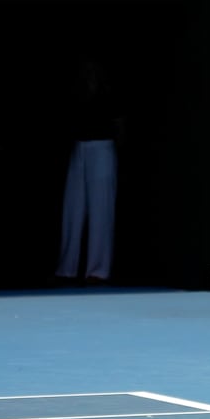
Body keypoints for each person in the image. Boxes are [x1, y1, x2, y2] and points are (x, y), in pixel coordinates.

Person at [55, 55, 121, 284]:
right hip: (79, 147)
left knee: (100, 208)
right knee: (72, 207)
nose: (88, 74)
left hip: (102, 147)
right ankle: (67, 267)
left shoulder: (109, 94)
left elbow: (119, 125)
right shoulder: (76, 94)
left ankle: (98, 269)